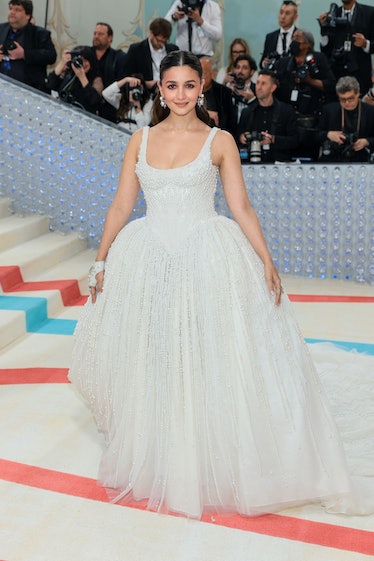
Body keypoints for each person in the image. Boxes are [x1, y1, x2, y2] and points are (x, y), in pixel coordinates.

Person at [68, 50, 367, 520]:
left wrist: (267, 261)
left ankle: (209, 450)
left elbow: (241, 207)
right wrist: (100, 259)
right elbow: (121, 205)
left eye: (190, 85)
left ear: (201, 87)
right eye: (172, 86)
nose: (181, 94)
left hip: (207, 254)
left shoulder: (220, 140)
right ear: (159, 88)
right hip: (146, 257)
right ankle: (162, 445)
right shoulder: (140, 140)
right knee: (154, 351)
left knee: (208, 354)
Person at [274, 29, 336, 160]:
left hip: (312, 116)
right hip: (288, 117)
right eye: (293, 38)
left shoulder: (318, 59)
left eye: (298, 38)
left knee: (308, 156)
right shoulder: (284, 62)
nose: (293, 41)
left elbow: (330, 84)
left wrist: (309, 81)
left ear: (308, 44)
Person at [237, 69, 299, 162]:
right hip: (252, 164)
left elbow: (295, 140)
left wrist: (273, 139)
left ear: (273, 88)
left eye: (263, 83)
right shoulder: (247, 112)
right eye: (257, 83)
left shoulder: (286, 111)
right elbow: (237, 137)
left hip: (279, 163)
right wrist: (241, 137)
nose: (258, 87)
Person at [318, 0, 374, 94]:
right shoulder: (332, 15)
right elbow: (325, 50)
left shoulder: (369, 13)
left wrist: (365, 44)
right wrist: (324, 29)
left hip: (360, 75)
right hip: (337, 74)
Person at [0, 0, 56, 92]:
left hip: (28, 89)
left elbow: (51, 56)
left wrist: (24, 54)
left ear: (28, 15)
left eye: (17, 10)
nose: (12, 12)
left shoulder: (40, 34)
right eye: (10, 8)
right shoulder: (1, 29)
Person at [318, 75, 374, 162]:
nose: (347, 103)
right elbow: (314, 135)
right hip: (333, 158)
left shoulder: (370, 111)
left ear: (358, 93)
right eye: (342, 99)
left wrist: (367, 141)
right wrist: (328, 134)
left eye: (351, 98)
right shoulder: (329, 110)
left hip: (362, 158)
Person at [122, 18, 178, 98]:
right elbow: (128, 77)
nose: (162, 45)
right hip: (146, 96)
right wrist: (147, 84)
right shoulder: (136, 50)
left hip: (170, 95)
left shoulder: (173, 50)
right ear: (151, 33)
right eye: (159, 41)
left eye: (164, 41)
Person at [46, 46, 103, 115]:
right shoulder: (69, 74)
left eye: (86, 60)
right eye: (80, 60)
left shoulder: (96, 80)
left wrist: (82, 77)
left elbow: (94, 101)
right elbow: (50, 85)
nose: (83, 64)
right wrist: (62, 63)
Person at [90, 22, 127, 122]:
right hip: (87, 106)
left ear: (110, 38)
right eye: (95, 33)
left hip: (109, 110)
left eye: (101, 34)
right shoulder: (86, 54)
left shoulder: (118, 58)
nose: (96, 36)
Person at [199, 55, 236, 135]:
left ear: (213, 74)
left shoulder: (224, 92)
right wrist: (205, 113)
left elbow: (229, 123)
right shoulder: (189, 91)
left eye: (203, 73)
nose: (199, 77)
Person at [260, 0, 298, 70]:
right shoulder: (270, 37)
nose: (283, 17)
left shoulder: (300, 36)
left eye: (287, 13)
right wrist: (264, 63)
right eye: (281, 12)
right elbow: (262, 62)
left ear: (295, 17)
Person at [227, 54, 257, 123]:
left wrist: (252, 99)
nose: (240, 71)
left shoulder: (257, 90)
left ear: (252, 72)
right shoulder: (228, 90)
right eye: (237, 67)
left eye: (245, 68)